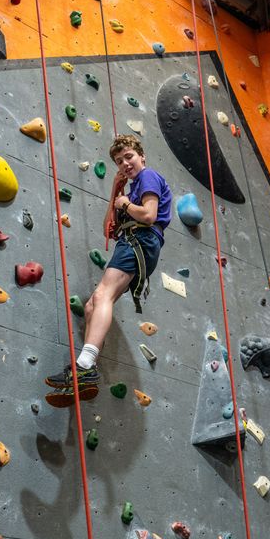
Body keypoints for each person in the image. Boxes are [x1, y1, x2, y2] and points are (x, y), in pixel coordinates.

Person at [45, 134, 172, 395]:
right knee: (92, 304)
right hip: (131, 240)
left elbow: (149, 215)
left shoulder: (148, 177)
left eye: (129, 157)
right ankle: (88, 368)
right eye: (119, 161)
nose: (125, 163)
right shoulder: (131, 189)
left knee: (103, 295)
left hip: (141, 239)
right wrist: (116, 190)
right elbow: (109, 229)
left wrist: (126, 203)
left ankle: (84, 365)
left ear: (142, 157)